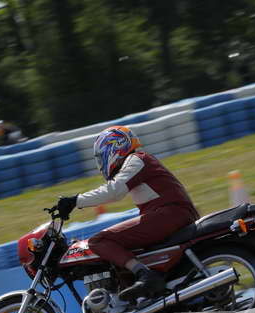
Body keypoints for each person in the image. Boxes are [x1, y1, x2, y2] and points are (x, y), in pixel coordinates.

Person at [56, 126, 199, 301]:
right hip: (171, 215)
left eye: (101, 157)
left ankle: (145, 275)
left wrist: (75, 201)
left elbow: (114, 191)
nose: (101, 162)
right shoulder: (138, 161)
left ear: (115, 147)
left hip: (171, 214)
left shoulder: (137, 159)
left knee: (99, 240)